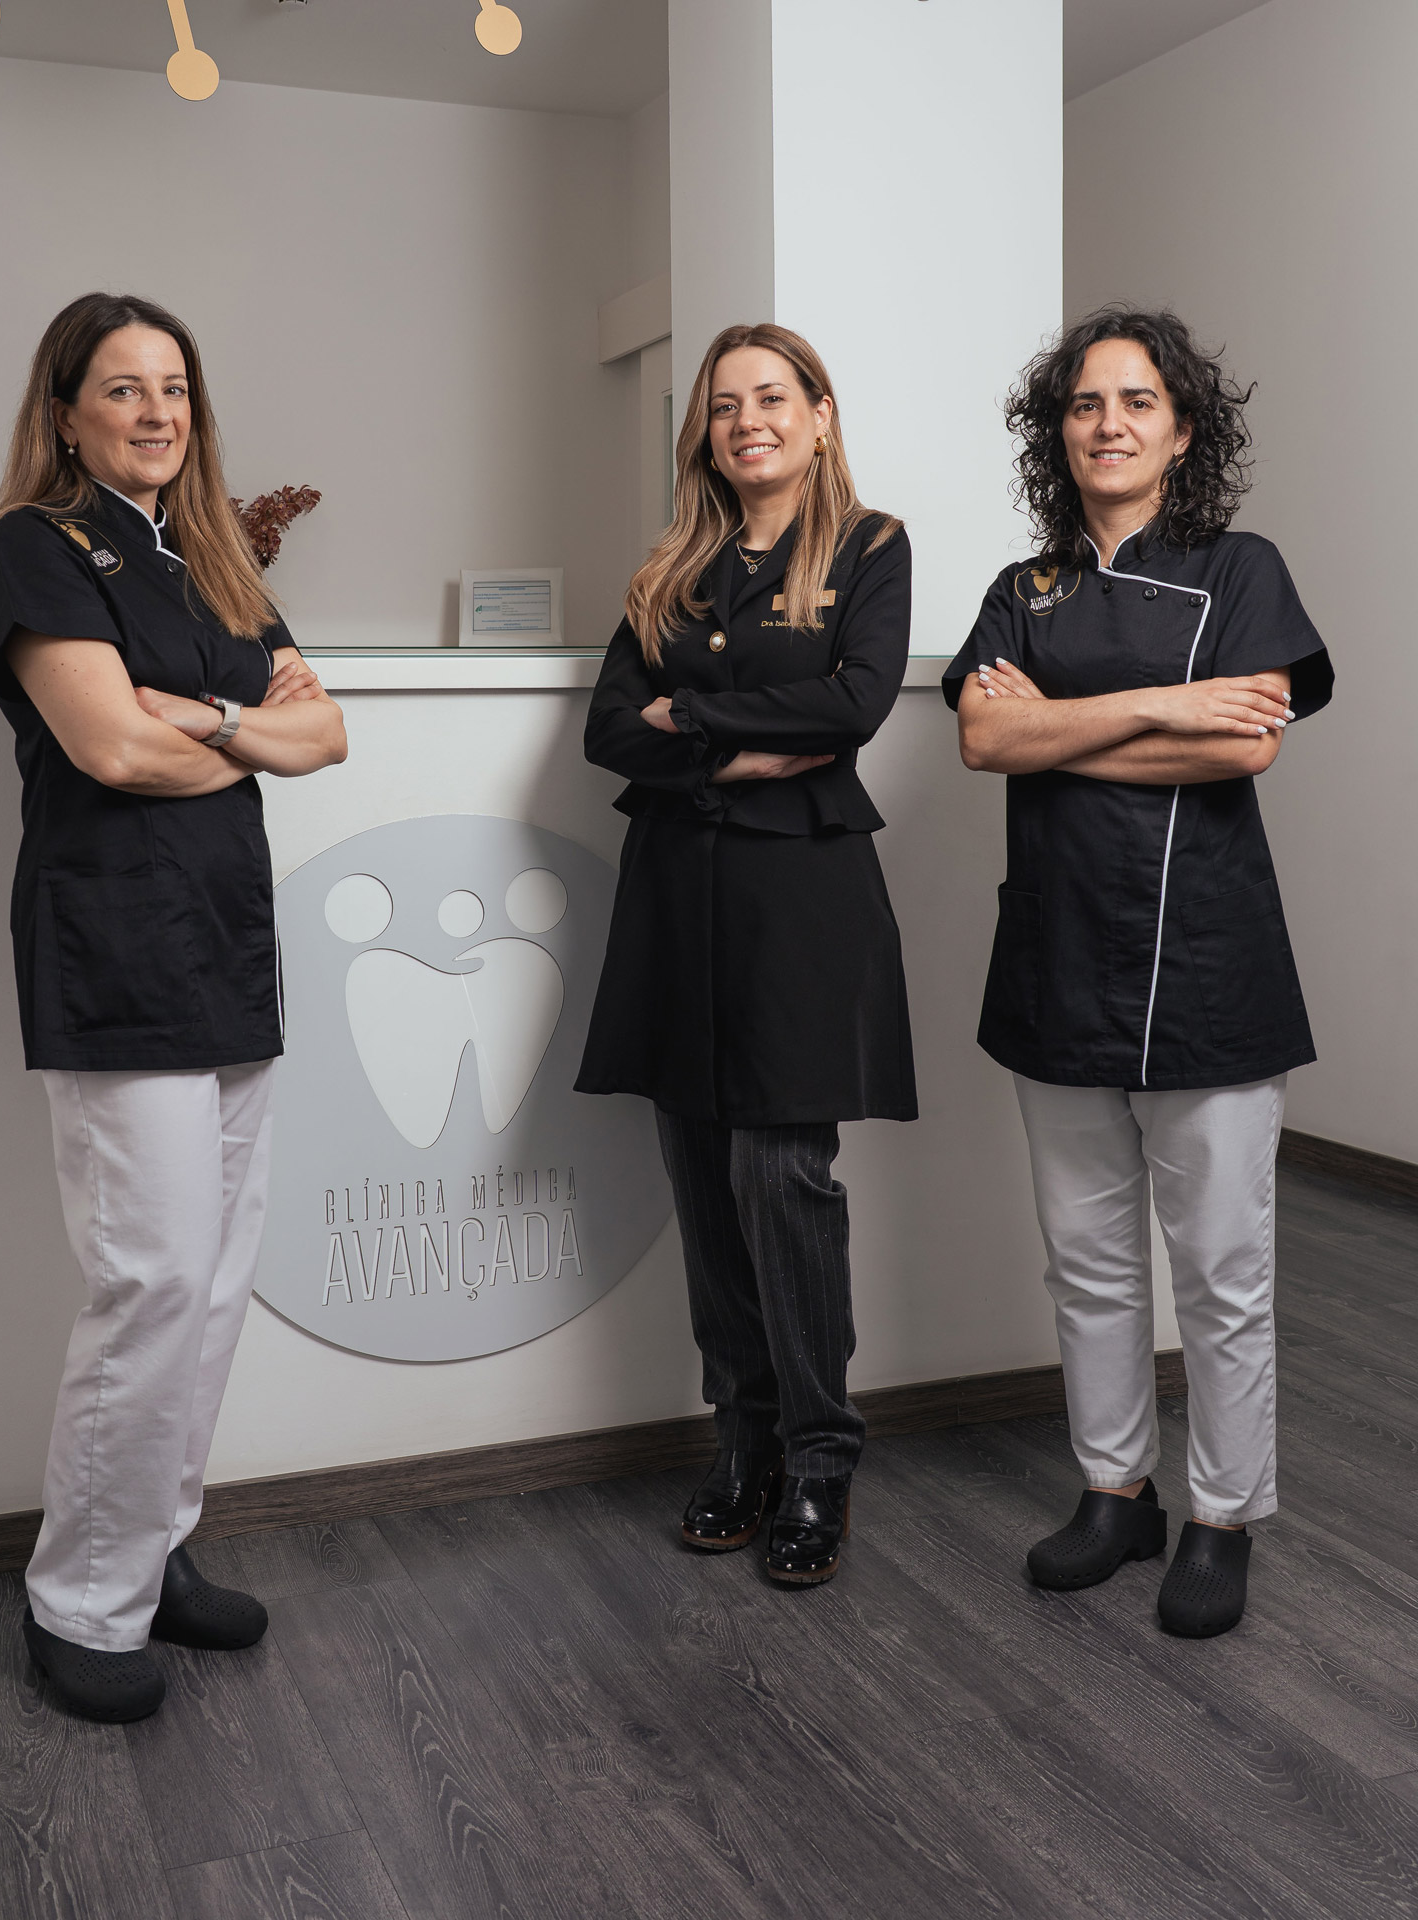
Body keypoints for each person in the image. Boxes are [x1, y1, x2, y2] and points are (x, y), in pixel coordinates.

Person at [0, 292, 347, 1720]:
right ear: (67, 413)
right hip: (115, 951)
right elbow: (112, 750)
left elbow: (329, 730)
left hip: (226, 948)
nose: (155, 412)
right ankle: (80, 1602)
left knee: (218, 1280)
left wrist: (212, 721)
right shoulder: (35, 549)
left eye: (173, 387)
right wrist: (242, 733)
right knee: (154, 1283)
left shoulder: (215, 556)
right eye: (122, 388)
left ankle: (152, 1548)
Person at [943, 307, 1333, 1637]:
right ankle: (1117, 1494)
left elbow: (1246, 747)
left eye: (1137, 401)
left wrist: (1055, 727)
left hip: (1208, 962)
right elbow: (982, 743)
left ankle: (1222, 1514)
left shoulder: (1240, 568)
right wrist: (1166, 702)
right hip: (1056, 959)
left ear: (1180, 431)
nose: (1108, 423)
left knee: (1220, 1268)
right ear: (1057, 433)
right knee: (1089, 1260)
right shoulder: (1025, 589)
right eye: (1085, 404)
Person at [577, 322, 914, 1587]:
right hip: (678, 895)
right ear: (704, 433)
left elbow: (855, 703)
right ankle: (745, 1441)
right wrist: (735, 749)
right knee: (701, 1173)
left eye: (772, 398)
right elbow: (612, 731)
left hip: (800, 898)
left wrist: (692, 715)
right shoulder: (669, 567)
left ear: (819, 415)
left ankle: (821, 1457)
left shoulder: (870, 547)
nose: (748, 422)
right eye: (725, 406)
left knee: (782, 1174)